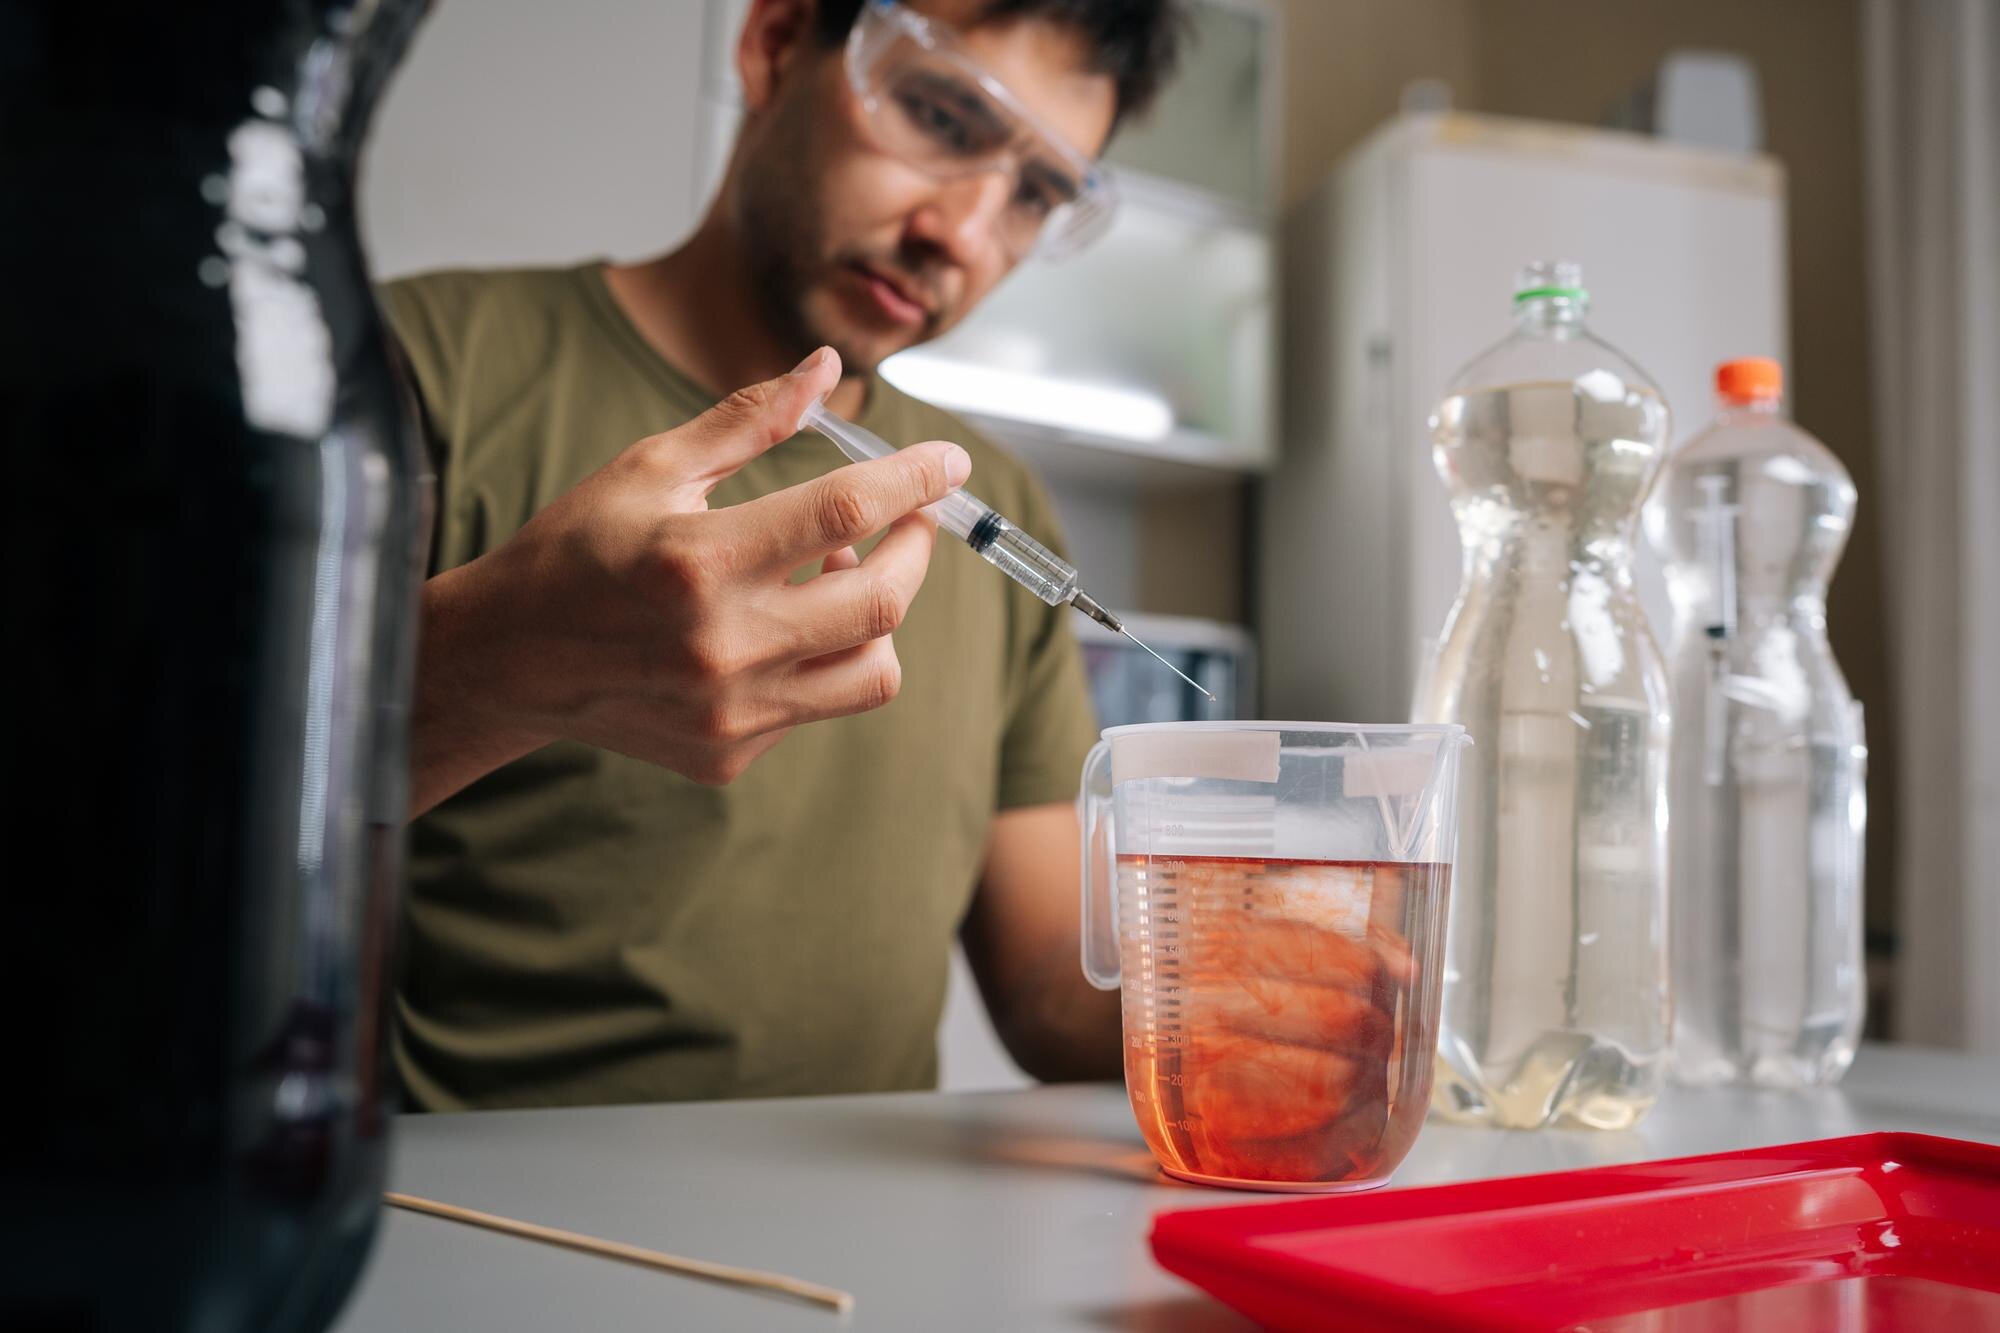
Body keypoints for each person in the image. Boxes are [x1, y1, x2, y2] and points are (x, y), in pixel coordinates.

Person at [381, 0, 1189, 1109]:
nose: (960, 231)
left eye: (1036, 193)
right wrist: (491, 671)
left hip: (861, 1261)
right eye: (943, 115)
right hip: (490, 1237)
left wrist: (1252, 975)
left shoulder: (993, 503)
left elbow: (1052, 982)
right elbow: (136, 823)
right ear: (772, 43)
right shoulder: (418, 375)